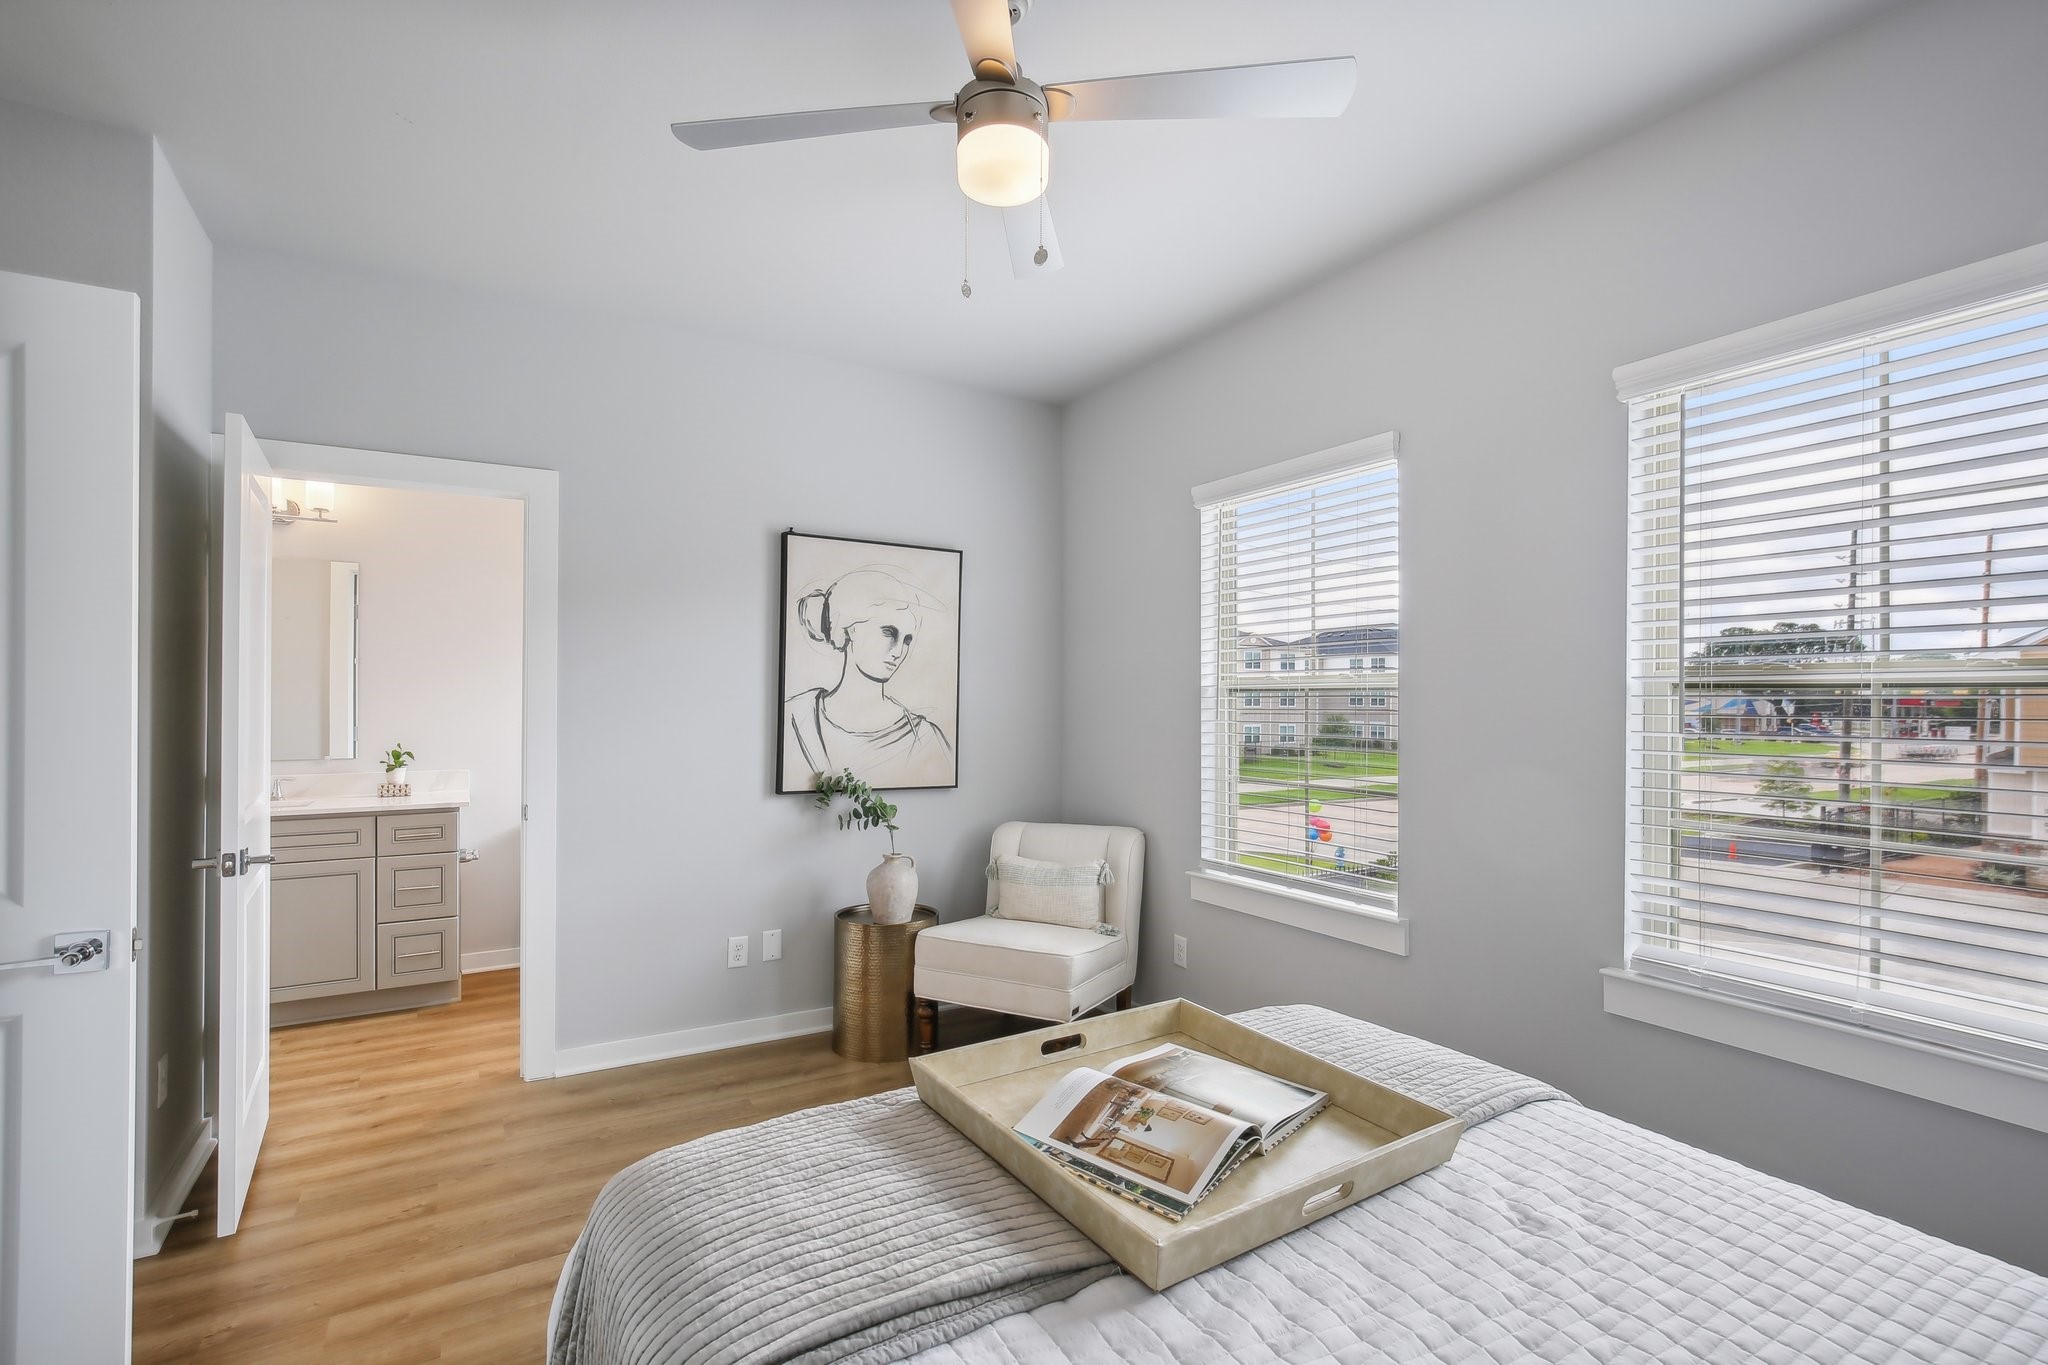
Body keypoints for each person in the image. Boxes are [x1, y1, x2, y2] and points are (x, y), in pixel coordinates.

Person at [784, 568, 953, 788]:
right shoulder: (796, 717)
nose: (898, 651)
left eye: (907, 640)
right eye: (888, 632)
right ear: (851, 629)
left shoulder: (923, 737)